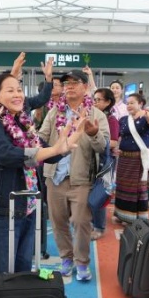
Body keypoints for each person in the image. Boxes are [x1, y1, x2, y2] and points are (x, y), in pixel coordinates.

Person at [0, 73, 82, 298]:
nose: (18, 94)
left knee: (23, 269)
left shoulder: (23, 122)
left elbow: (41, 150)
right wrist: (49, 151)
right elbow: (6, 155)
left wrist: (64, 148)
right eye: (9, 90)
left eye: (19, 89)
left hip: (27, 205)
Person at [39, 69, 110, 281]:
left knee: (81, 221)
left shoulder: (97, 115)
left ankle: (81, 262)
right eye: (66, 83)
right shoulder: (54, 112)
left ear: (85, 87)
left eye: (74, 82)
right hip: (55, 176)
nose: (69, 86)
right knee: (58, 221)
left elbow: (103, 146)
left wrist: (93, 133)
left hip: (81, 179)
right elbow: (41, 137)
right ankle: (66, 258)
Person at [114, 93, 149, 223]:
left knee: (137, 189)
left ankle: (135, 218)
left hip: (138, 160)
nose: (129, 105)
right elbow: (118, 135)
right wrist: (115, 147)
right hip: (124, 159)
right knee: (122, 187)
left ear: (140, 104)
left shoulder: (146, 118)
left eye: (132, 102)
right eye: (127, 103)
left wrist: (145, 113)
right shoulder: (123, 119)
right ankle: (121, 214)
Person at [91, 88, 119, 239]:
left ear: (108, 102)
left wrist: (96, 139)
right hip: (92, 159)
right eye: (94, 99)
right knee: (90, 192)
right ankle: (91, 223)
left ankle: (99, 227)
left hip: (105, 161)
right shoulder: (92, 116)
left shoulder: (111, 120)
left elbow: (114, 142)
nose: (95, 102)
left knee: (100, 193)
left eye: (98, 100)